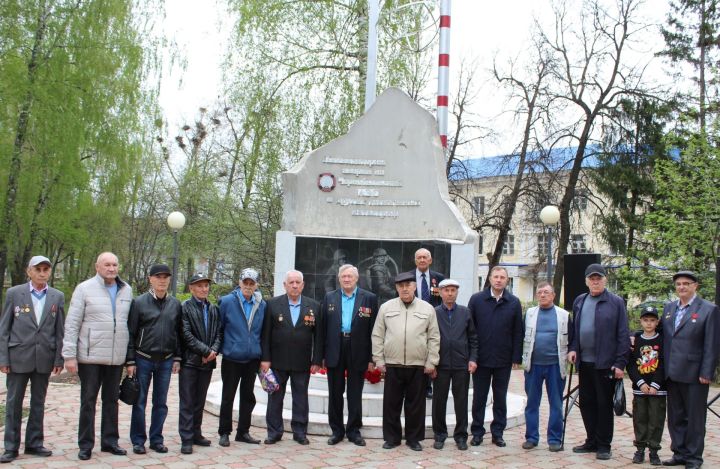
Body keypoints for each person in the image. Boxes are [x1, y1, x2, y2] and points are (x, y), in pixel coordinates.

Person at [63, 252, 133, 460]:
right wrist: (69, 355)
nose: (111, 268)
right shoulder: (84, 289)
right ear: (97, 267)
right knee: (88, 401)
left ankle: (110, 441)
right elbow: (72, 323)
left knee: (111, 400)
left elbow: (128, 325)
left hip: (115, 357)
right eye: (107, 265)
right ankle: (85, 444)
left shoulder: (126, 290)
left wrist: (128, 358)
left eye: (114, 264)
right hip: (90, 356)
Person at [0, 256, 64, 463]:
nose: (42, 273)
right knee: (13, 403)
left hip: (44, 357)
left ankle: (34, 443)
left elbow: (59, 330)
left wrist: (58, 358)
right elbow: (4, 329)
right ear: (29, 271)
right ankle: (10, 447)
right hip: (18, 356)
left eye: (46, 269)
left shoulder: (56, 296)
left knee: (38, 402)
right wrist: (3, 357)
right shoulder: (14, 294)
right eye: (38, 269)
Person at [371, 271, 440, 451]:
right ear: (396, 288)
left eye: (408, 285)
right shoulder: (386, 307)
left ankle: (413, 439)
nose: (404, 289)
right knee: (391, 404)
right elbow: (377, 335)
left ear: (415, 286)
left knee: (416, 405)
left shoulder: (427, 309)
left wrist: (431, 361)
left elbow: (434, 337)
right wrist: (379, 359)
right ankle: (392, 438)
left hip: (417, 365)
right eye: (401, 286)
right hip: (392, 364)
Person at [567, 263, 630, 461]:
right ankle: (591, 440)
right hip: (584, 362)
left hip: (606, 363)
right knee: (586, 403)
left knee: (604, 404)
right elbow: (576, 331)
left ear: (604, 280)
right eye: (591, 279)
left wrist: (620, 363)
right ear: (586, 281)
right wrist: (573, 348)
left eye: (599, 278)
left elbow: (622, 334)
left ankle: (604, 444)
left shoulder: (616, 302)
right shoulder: (580, 300)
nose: (595, 281)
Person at [661, 271, 719, 469]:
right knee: (676, 417)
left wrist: (707, 371)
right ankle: (679, 453)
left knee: (694, 419)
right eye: (678, 284)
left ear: (696, 286)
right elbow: (663, 336)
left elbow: (712, 344)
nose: (682, 287)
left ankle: (694, 458)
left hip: (694, 374)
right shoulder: (669, 308)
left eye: (686, 283)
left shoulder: (709, 310)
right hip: (672, 372)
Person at [125, 264, 183, 455]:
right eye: (158, 277)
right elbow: (131, 333)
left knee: (161, 402)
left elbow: (178, 333)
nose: (162, 280)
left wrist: (177, 357)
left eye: (166, 277)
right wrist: (131, 360)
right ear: (150, 279)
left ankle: (156, 439)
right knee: (139, 401)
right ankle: (138, 440)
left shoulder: (175, 304)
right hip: (143, 358)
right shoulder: (139, 302)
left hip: (166, 360)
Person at [261, 270, 322, 445]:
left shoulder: (314, 306)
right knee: (275, 398)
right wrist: (265, 359)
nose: (294, 285)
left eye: (298, 282)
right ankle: (274, 432)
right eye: (291, 282)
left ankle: (300, 432)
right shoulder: (272, 305)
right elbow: (265, 335)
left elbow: (319, 337)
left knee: (301, 398)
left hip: (302, 362)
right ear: (285, 285)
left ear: (303, 285)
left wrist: (317, 360)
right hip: (277, 362)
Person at [322, 264, 378, 447]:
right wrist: (321, 356)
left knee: (355, 393)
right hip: (335, 349)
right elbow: (322, 330)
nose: (346, 279)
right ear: (339, 279)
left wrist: (372, 357)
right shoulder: (329, 297)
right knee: (335, 393)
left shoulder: (369, 298)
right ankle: (337, 431)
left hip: (358, 350)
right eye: (343, 276)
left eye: (350, 276)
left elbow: (374, 330)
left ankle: (354, 430)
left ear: (356, 279)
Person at [469, 265, 523, 448]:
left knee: (500, 398)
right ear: (490, 279)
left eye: (502, 277)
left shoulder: (514, 302)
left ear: (507, 280)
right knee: (479, 398)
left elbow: (518, 332)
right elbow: (471, 331)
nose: (499, 280)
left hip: (503, 359)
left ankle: (498, 433)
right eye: (496, 276)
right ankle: (477, 432)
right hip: (481, 360)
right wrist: (472, 357)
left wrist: (516, 357)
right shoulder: (476, 300)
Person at [521, 281, 571, 452]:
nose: (542, 295)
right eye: (539, 292)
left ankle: (555, 439)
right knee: (532, 403)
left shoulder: (563, 315)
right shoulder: (529, 313)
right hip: (533, 365)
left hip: (555, 366)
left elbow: (571, 339)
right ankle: (532, 437)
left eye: (546, 292)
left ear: (553, 295)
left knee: (556, 404)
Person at [218, 268, 265, 447]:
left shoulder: (261, 304)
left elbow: (262, 331)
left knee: (248, 396)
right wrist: (225, 349)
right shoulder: (227, 302)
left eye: (251, 283)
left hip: (252, 358)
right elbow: (220, 328)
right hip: (232, 358)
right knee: (228, 396)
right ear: (239, 282)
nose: (248, 286)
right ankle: (224, 432)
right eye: (245, 282)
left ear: (256, 285)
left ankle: (243, 432)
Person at [178, 273, 223, 454]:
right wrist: (205, 351)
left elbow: (219, 333)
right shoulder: (185, 308)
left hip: (208, 363)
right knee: (187, 401)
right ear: (191, 288)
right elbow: (186, 335)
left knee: (200, 401)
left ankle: (196, 433)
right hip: (190, 362)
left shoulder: (213, 309)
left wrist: (213, 351)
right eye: (199, 286)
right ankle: (186, 438)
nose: (204, 289)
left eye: (206, 286)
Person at [431, 278, 477, 451]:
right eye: (446, 290)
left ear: (457, 292)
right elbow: (429, 339)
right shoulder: (434, 313)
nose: (450, 293)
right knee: (439, 401)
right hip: (440, 364)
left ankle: (460, 436)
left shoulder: (466, 312)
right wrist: (432, 364)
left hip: (461, 365)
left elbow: (473, 338)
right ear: (440, 292)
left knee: (461, 401)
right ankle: (440, 435)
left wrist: (472, 359)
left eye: (453, 290)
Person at [627, 306, 665, 466]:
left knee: (656, 419)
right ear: (641, 321)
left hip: (658, 388)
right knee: (640, 418)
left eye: (652, 320)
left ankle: (654, 450)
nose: (649, 323)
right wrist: (640, 383)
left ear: (657, 322)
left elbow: (664, 363)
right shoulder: (636, 340)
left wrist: (656, 384)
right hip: (640, 388)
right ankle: (640, 449)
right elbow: (630, 364)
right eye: (646, 320)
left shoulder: (662, 340)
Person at [411, 248, 445, 399]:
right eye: (419, 257)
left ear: (430, 260)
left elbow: (442, 300)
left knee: (430, 352)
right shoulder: (408, 277)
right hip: (412, 320)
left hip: (432, 321)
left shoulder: (439, 278)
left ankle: (428, 385)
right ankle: (413, 385)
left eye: (425, 257)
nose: (422, 260)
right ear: (415, 260)